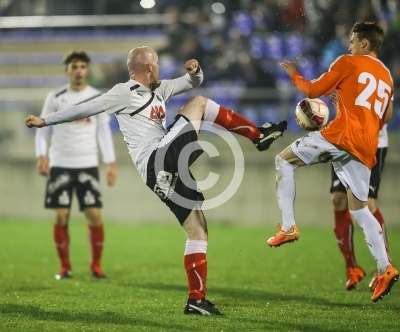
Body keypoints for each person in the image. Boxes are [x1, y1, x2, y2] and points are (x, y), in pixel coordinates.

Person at [25, 46, 287, 315]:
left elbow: (191, 82)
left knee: (197, 229)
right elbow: (86, 108)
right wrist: (46, 120)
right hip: (156, 159)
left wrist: (196, 72)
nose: (160, 67)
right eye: (158, 63)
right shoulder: (123, 93)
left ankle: (196, 301)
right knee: (199, 103)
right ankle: (257, 135)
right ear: (149, 67)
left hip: (159, 171)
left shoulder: (160, 89)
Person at [268, 20, 398, 302]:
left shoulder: (349, 61)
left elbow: (313, 91)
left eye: (352, 40)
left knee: (283, 161)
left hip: (340, 137)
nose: (349, 45)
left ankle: (289, 226)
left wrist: (293, 74)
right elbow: (380, 114)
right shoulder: (387, 76)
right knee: (361, 210)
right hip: (367, 146)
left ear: (364, 43)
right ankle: (385, 267)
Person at [34, 51, 117, 280]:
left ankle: (96, 266)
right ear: (67, 71)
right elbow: (43, 129)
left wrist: (110, 162)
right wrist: (41, 156)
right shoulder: (56, 96)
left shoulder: (97, 97)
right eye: (74, 67)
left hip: (87, 163)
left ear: (87, 70)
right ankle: (64, 267)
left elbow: (103, 131)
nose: (79, 70)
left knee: (94, 214)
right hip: (60, 163)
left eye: (82, 66)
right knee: (61, 216)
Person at [330, 93, 392, 291]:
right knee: (338, 200)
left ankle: (384, 267)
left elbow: (388, 114)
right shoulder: (341, 69)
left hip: (372, 143)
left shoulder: (381, 73)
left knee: (368, 202)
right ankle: (352, 268)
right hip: (344, 142)